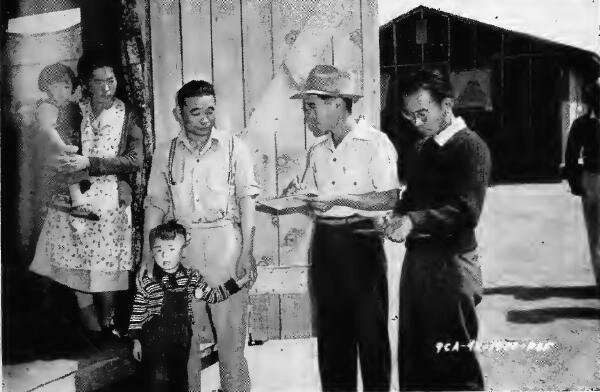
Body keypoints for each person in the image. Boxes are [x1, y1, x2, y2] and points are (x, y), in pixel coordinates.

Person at [284, 64, 400, 391]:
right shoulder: (317, 151)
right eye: (305, 107)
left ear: (337, 103)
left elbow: (389, 197)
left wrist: (340, 198)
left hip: (362, 242)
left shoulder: (374, 143)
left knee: (370, 333)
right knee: (332, 335)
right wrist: (301, 194)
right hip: (326, 244)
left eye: (311, 106)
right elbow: (315, 198)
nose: (307, 115)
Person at [138, 80, 259, 391]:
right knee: (185, 343)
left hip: (225, 249)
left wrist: (247, 251)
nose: (205, 119)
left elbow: (248, 201)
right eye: (196, 113)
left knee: (231, 343)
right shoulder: (165, 152)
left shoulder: (234, 147)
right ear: (179, 114)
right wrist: (147, 257)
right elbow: (155, 204)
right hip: (182, 252)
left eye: (210, 111)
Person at [381, 69, 491, 391]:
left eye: (422, 113)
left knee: (454, 364)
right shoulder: (420, 150)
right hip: (418, 266)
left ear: (446, 105)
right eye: (409, 115)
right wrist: (396, 215)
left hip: (453, 267)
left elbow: (466, 210)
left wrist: (414, 221)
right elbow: (412, 197)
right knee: (415, 360)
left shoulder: (471, 148)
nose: (416, 122)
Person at [29, 52, 144, 336]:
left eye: (111, 80)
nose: (107, 87)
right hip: (73, 197)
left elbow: (135, 158)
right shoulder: (71, 108)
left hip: (108, 200)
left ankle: (109, 326)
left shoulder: (126, 114)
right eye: (99, 81)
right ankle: (91, 330)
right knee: (74, 266)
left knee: (106, 269)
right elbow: (47, 141)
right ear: (86, 84)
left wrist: (91, 164)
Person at [130, 220, 251, 392]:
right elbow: (138, 312)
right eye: (159, 250)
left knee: (181, 382)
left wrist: (236, 284)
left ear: (182, 251)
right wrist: (136, 340)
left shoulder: (191, 277)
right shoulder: (148, 281)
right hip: (154, 343)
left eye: (171, 249)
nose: (164, 255)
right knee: (156, 383)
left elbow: (214, 295)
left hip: (181, 341)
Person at [565, 80, 600, 293]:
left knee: (595, 237)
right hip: (592, 180)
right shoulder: (582, 125)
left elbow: (571, 157)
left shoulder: (581, 124)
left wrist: (577, 184)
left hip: (591, 180)